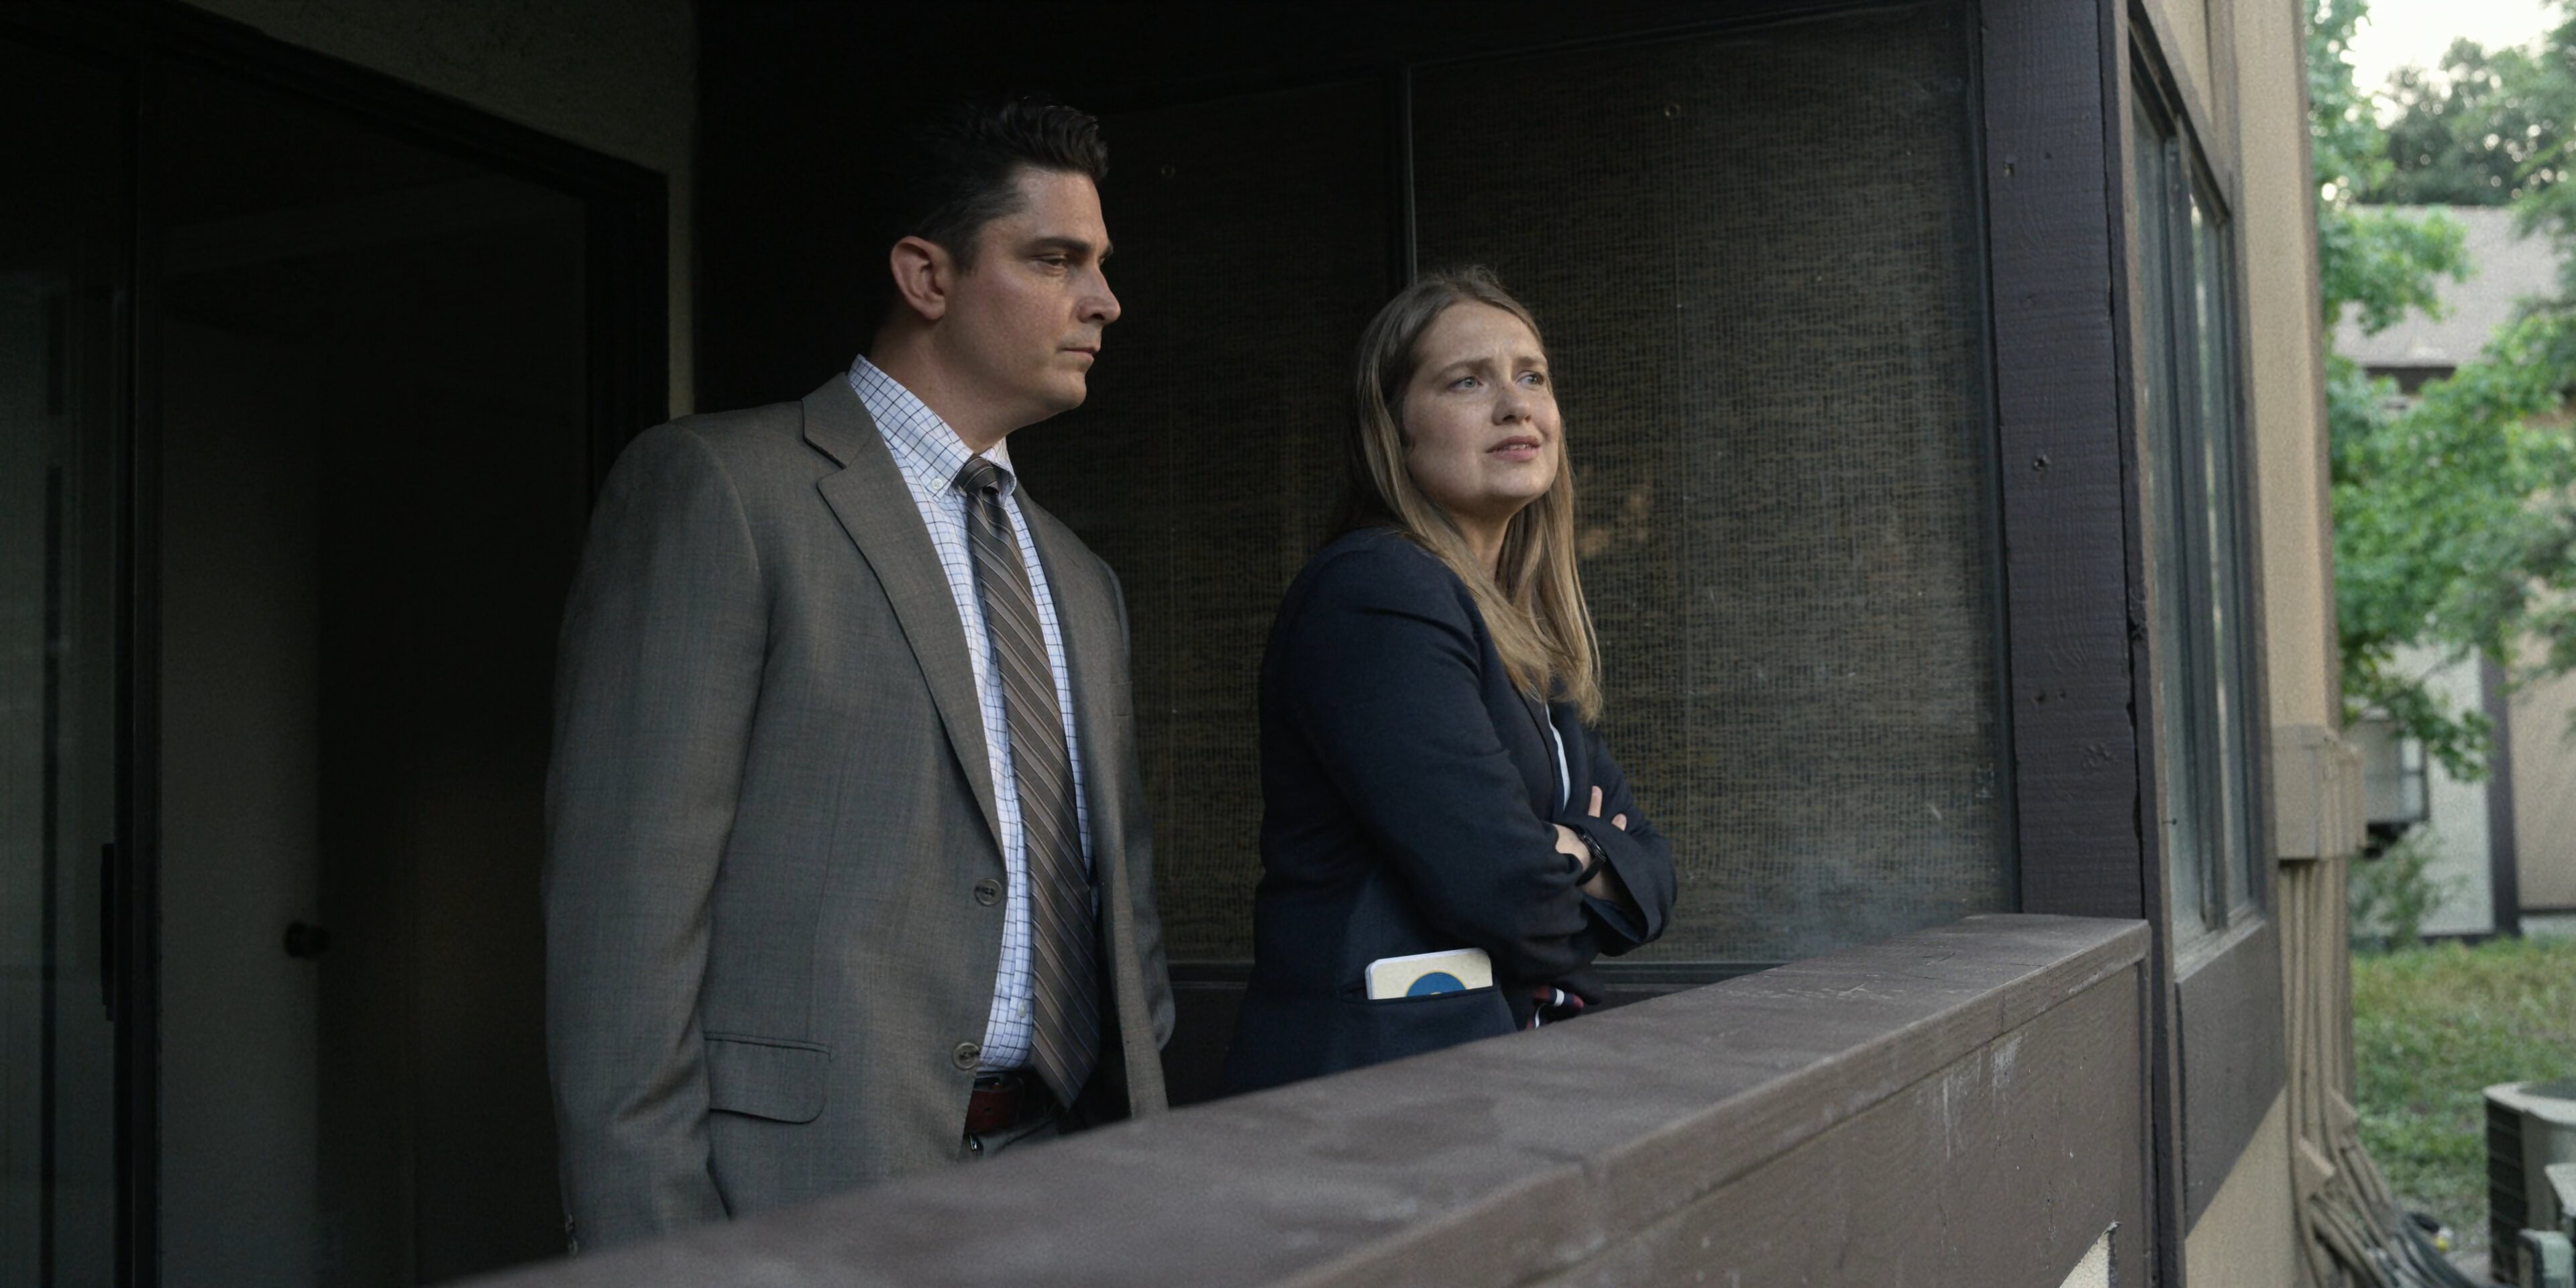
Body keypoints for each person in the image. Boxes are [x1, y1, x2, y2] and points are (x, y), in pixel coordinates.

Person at [543, 96, 1172, 1251]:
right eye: (1055, 260)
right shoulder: (722, 489)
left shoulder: (1081, 579)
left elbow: (1116, 904)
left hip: (1074, 1182)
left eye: (1101, 265)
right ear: (927, 276)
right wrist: (655, 1248)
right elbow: (626, 914)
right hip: (805, 1187)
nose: (1103, 301)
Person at [1224, 268, 1676, 1093]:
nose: (1515, 406)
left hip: (1479, 1093)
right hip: (1367, 1103)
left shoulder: (1520, 632)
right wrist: (1588, 853)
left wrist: (1567, 853)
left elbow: (1654, 875)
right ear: (1393, 430)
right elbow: (1512, 895)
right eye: (1467, 381)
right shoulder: (1377, 591)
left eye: (1532, 377)